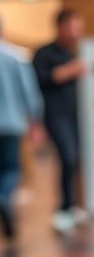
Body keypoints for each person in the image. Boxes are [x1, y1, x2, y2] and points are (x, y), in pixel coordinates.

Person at [33, 9, 87, 233]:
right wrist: (70, 71)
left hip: (76, 116)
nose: (77, 33)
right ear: (61, 27)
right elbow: (42, 79)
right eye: (73, 27)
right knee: (67, 156)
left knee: (75, 160)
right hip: (55, 116)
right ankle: (62, 210)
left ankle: (72, 205)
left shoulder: (73, 54)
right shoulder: (44, 54)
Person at [0, 24, 43, 239]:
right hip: (10, 123)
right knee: (10, 169)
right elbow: (29, 92)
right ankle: (4, 196)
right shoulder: (15, 56)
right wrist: (36, 120)